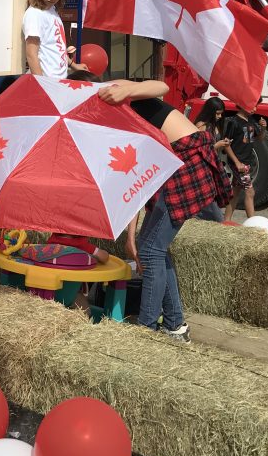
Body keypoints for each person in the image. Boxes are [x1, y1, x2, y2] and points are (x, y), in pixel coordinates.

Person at [70, 71, 228, 342]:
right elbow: (135, 182)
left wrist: (126, 89)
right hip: (171, 166)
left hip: (186, 162)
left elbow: (162, 85)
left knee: (152, 249)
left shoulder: (114, 93)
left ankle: (147, 332)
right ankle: (175, 325)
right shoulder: (110, 121)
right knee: (151, 247)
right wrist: (131, 236)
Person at [22, 0, 86, 78]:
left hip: (58, 81)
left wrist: (73, 65)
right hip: (48, 82)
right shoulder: (34, 14)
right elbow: (31, 54)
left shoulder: (52, 10)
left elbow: (56, 47)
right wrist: (42, 84)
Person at [223, 101, 268, 221]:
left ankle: (226, 221)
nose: (255, 108)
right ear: (243, 104)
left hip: (246, 162)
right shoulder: (234, 122)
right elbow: (226, 144)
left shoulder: (251, 121)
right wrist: (237, 163)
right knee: (250, 192)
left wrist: (263, 128)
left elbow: (259, 138)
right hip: (239, 163)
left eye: (256, 106)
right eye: (253, 105)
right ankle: (252, 224)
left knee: (236, 191)